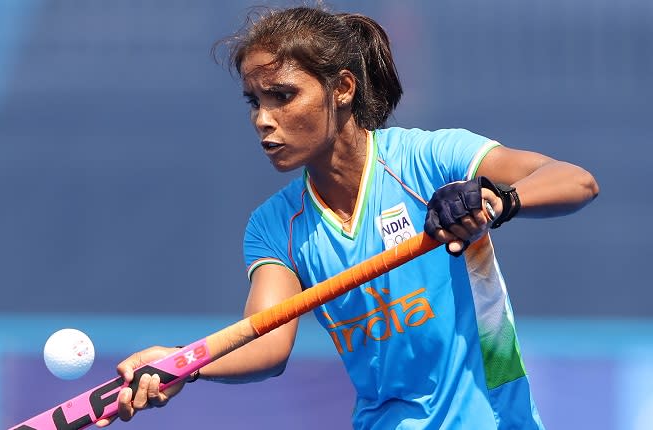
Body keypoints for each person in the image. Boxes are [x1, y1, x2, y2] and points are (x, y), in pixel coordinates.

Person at [97, 5, 599, 429]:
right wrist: (186, 363)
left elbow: (575, 179)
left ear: (341, 88)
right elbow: (266, 341)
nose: (262, 119)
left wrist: (495, 198)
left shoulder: (430, 160)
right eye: (255, 101)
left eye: (283, 95)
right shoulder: (276, 226)